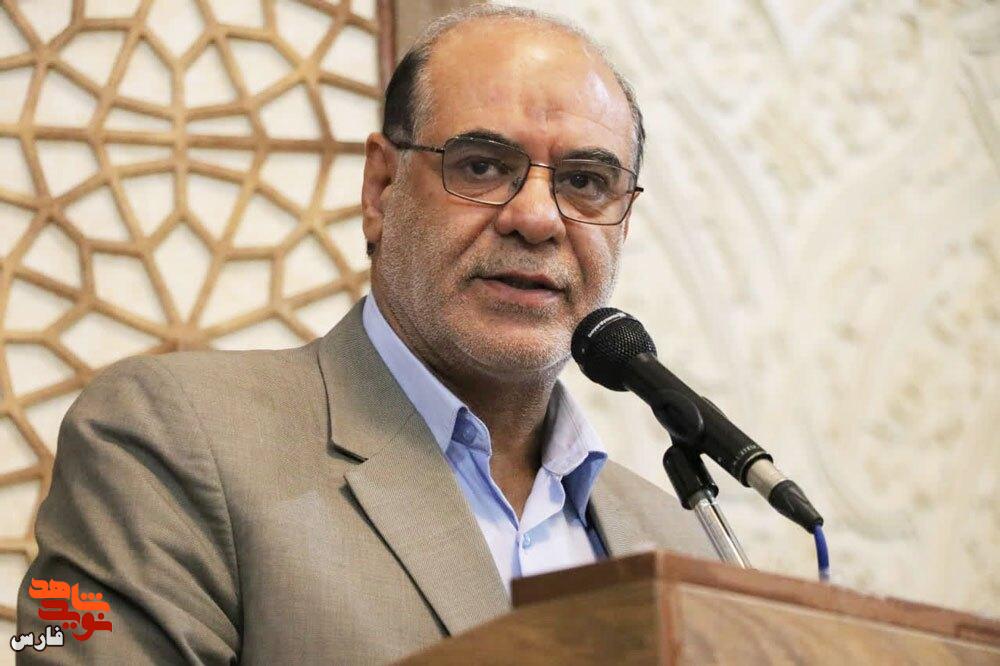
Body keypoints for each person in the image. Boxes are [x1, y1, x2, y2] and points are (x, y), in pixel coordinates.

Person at [18, 6, 714, 664]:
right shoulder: (171, 438)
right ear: (381, 187)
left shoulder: (686, 539)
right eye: (481, 166)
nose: (536, 218)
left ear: (623, 222)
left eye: (586, 181)